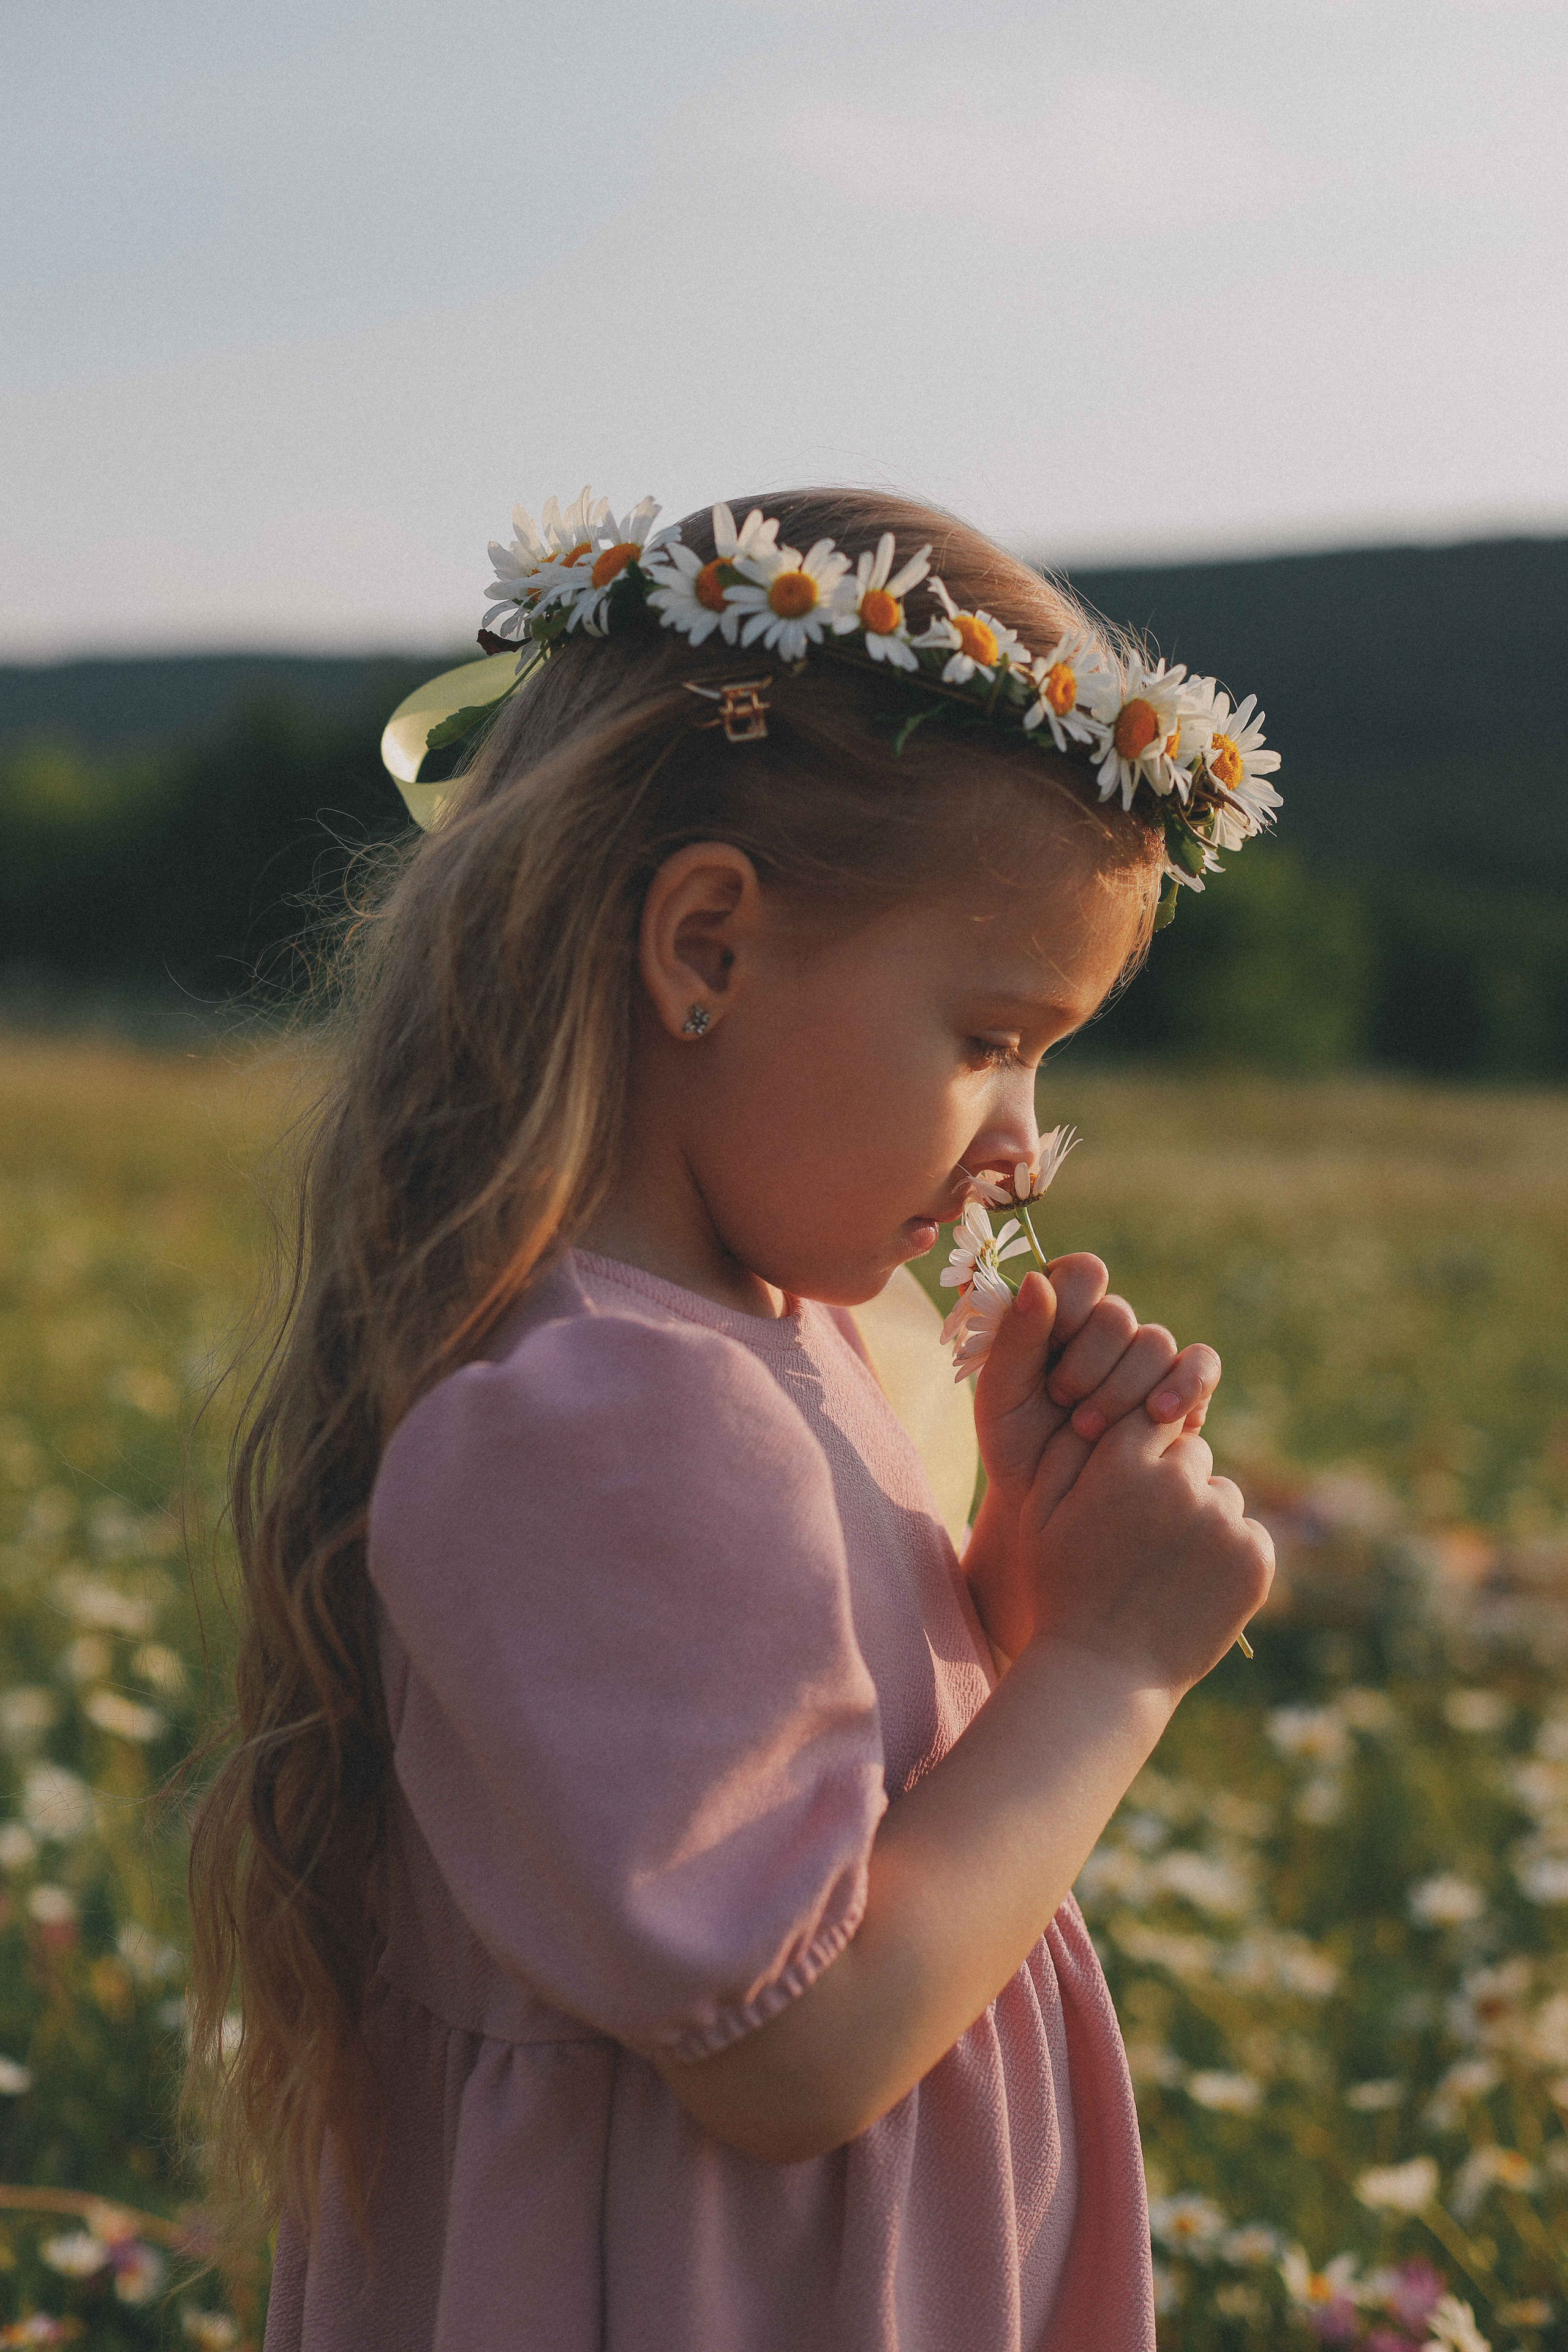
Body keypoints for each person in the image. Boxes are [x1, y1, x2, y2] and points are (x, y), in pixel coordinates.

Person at [186, 486, 1276, 2351]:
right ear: (706, 947)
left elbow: (837, 1804)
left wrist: (1014, 1579)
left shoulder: (800, 1339)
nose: (1022, 1139)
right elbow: (793, 2052)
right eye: (990, 1037)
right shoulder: (605, 1409)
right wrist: (1111, 1670)